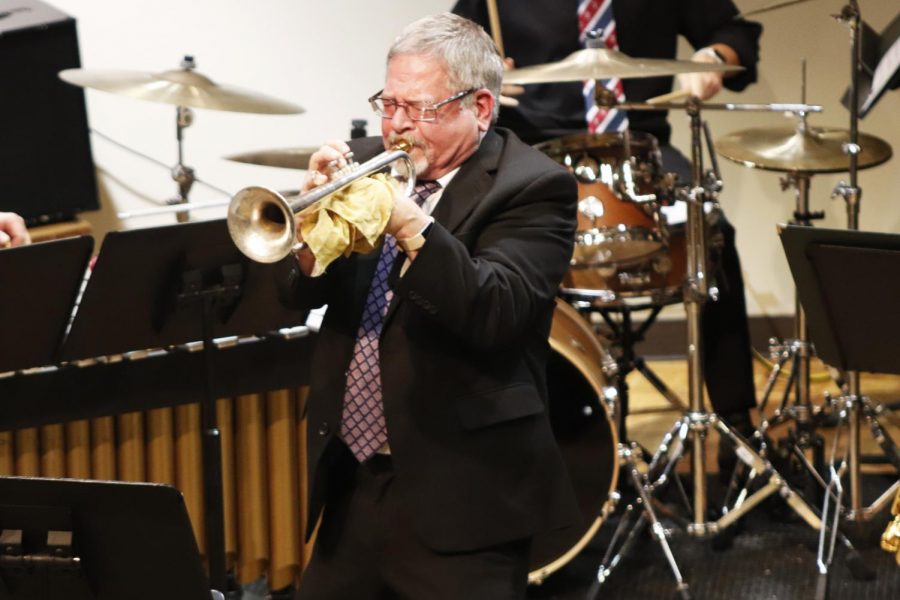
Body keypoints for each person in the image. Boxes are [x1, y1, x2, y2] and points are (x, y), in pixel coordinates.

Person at [277, 13, 580, 599]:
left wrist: (409, 220)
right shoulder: (368, 163)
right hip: (354, 481)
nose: (396, 128)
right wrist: (308, 230)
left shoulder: (533, 186)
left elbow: (493, 311)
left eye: (419, 109)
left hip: (464, 493)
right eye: (389, 104)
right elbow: (296, 295)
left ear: (481, 108)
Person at [452, 0, 762, 453]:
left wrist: (715, 56)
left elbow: (735, 32)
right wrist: (477, 78)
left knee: (711, 231)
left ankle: (739, 430)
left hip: (638, 143)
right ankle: (541, 430)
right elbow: (448, 52)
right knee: (499, 248)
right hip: (535, 147)